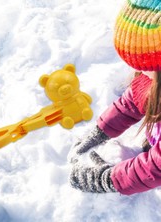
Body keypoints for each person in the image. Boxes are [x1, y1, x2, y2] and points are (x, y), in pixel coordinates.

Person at [69, 0, 161, 195]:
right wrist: (101, 131)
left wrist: (107, 180)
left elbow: (157, 168)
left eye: (146, 67)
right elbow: (134, 100)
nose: (139, 72)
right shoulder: (154, 81)